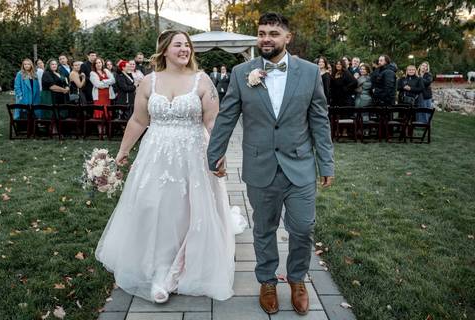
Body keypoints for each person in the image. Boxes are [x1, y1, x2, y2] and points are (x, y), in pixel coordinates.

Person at [95, 30, 247, 304]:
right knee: (154, 206)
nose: (184, 49)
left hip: (194, 155)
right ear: (164, 50)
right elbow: (139, 121)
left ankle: (182, 266)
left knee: (188, 209)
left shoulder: (202, 81)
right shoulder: (148, 83)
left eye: (187, 45)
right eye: (178, 45)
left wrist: (219, 153)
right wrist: (123, 151)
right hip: (156, 156)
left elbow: (213, 122)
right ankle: (157, 266)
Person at [207, 12, 334, 316]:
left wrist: (325, 163)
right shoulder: (241, 73)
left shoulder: (309, 72)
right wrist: (215, 153)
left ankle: (296, 279)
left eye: (273, 33)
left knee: (302, 227)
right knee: (264, 228)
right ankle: (266, 280)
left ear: (287, 38)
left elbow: (319, 119)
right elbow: (227, 116)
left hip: (299, 165)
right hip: (260, 165)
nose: (266, 38)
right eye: (262, 32)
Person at [90, 57, 115, 137]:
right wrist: (107, 83)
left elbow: (113, 80)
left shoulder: (106, 71)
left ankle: (107, 133)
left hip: (107, 96)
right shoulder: (92, 73)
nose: (98, 64)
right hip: (99, 97)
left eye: (99, 62)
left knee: (107, 114)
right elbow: (98, 85)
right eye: (96, 63)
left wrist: (103, 81)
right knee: (99, 115)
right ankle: (101, 133)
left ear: (102, 63)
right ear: (94, 65)